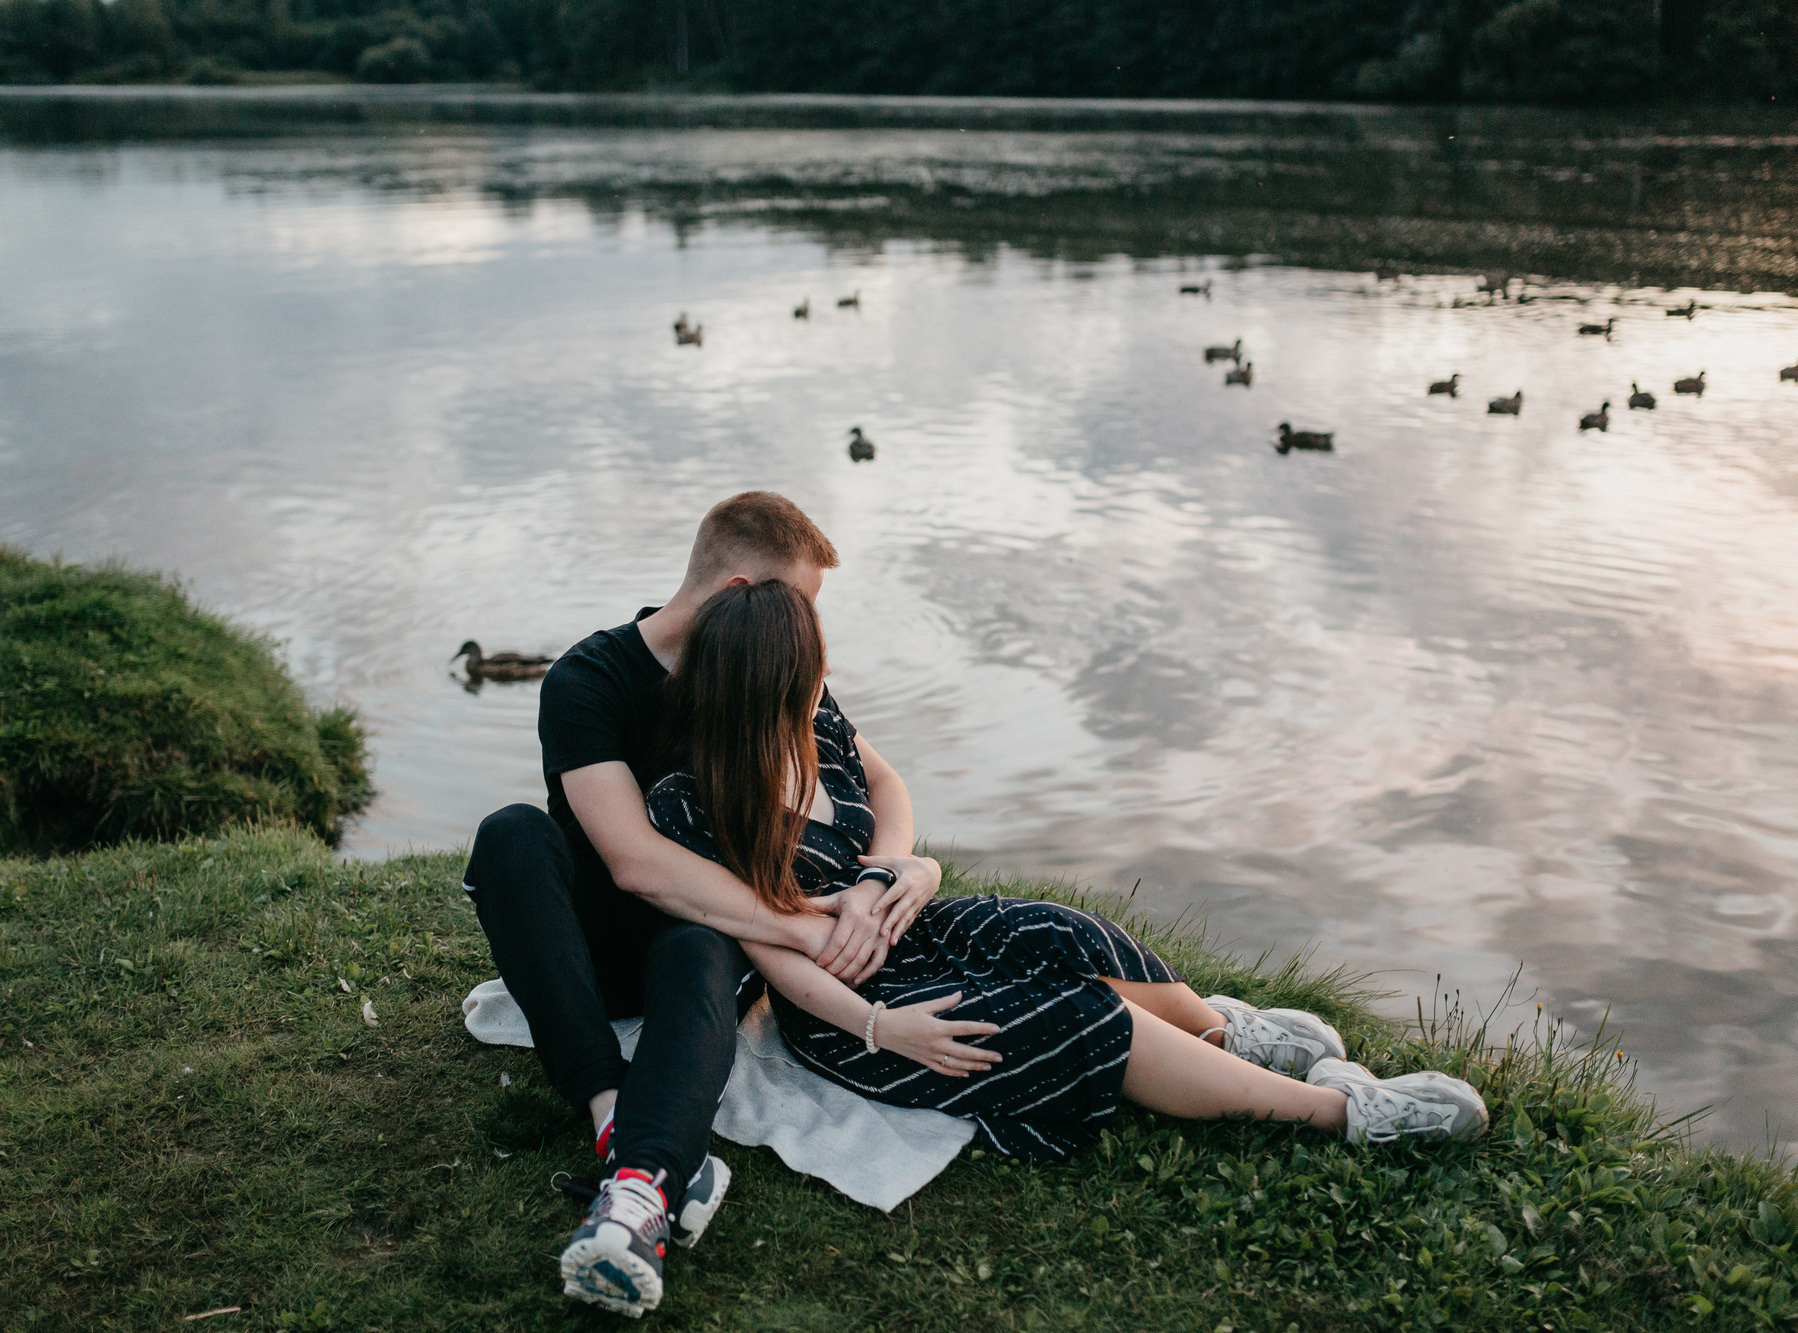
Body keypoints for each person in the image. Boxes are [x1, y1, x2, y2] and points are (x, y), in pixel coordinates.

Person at [643, 580, 1490, 1170]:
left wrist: (903, 869)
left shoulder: (817, 725)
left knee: (1053, 928)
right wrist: (878, 1028)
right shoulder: (696, 802)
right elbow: (768, 946)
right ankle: (1346, 1115)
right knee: (1071, 1016)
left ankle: (1221, 1034)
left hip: (902, 925)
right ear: (763, 680)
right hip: (847, 1006)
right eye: (808, 666)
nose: (822, 679)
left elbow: (889, 786)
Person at [462, 493, 936, 1317]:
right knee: (511, 835)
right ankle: (615, 1116)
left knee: (699, 935)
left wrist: (884, 876)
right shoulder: (590, 678)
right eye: (801, 602)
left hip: (716, 950)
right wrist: (804, 927)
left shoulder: (771, 663)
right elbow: (635, 863)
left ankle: (637, 1190)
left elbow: (882, 778)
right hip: (606, 948)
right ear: (740, 589)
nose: (807, 628)